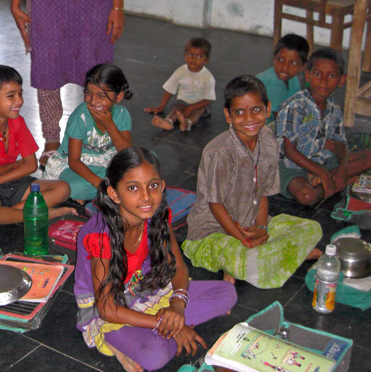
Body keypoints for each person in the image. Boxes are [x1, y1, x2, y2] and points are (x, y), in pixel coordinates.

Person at [74, 147, 236, 372]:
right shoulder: (101, 236)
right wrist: (168, 324)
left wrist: (177, 306)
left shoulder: (157, 214)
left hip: (151, 290)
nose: (146, 197)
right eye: (133, 188)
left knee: (227, 294)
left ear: (162, 185)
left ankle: (157, 330)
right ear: (114, 194)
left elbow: (178, 266)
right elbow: (107, 308)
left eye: (153, 185)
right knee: (155, 356)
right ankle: (123, 338)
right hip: (112, 306)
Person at [182, 75, 323, 288]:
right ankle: (275, 257)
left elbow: (262, 193)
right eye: (239, 112)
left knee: (312, 228)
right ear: (228, 115)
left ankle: (258, 259)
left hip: (249, 222)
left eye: (256, 109)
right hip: (211, 232)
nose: (249, 118)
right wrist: (242, 238)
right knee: (236, 254)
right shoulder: (219, 152)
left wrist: (261, 228)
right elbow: (215, 205)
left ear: (267, 109)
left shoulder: (268, 141)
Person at [0, 65, 75, 236]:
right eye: (11, 96)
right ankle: (37, 213)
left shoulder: (17, 121)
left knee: (63, 188)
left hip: (12, 183)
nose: (20, 101)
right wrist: (15, 166)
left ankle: (7, 216)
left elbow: (31, 166)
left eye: (20, 93)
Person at [10, 0, 125, 165]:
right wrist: (15, 4)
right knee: (47, 68)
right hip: (47, 6)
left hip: (94, 6)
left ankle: (97, 134)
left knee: (97, 68)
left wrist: (117, 6)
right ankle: (51, 138)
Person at [276, 48, 371, 206]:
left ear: (341, 80)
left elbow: (340, 144)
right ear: (308, 75)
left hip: (322, 160)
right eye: (318, 74)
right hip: (291, 165)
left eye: (332, 76)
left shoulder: (333, 108)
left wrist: (342, 168)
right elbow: (289, 151)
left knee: (368, 156)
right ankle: (339, 182)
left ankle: (333, 179)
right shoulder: (294, 106)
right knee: (307, 197)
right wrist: (324, 174)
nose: (324, 80)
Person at [44, 64, 132, 202]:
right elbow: (74, 161)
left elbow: (126, 152)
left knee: (144, 161)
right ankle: (110, 189)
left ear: (118, 96)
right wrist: (100, 184)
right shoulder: (81, 116)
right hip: (73, 166)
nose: (93, 101)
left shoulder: (122, 114)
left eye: (101, 96)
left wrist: (109, 124)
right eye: (88, 93)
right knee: (74, 186)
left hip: (106, 163)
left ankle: (105, 190)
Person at [145, 38, 215, 132]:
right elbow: (169, 89)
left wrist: (191, 108)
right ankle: (168, 122)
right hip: (183, 102)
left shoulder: (208, 77)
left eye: (199, 56)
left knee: (197, 113)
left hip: (199, 104)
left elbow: (207, 100)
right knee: (176, 110)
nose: (193, 59)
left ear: (206, 60)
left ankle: (187, 123)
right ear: (185, 56)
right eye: (190, 54)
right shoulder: (180, 71)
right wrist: (161, 107)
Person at [256, 34, 309, 122]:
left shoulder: (293, 79)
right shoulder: (271, 86)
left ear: (302, 67)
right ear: (274, 58)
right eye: (280, 60)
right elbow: (279, 119)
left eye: (293, 63)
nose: (284, 67)